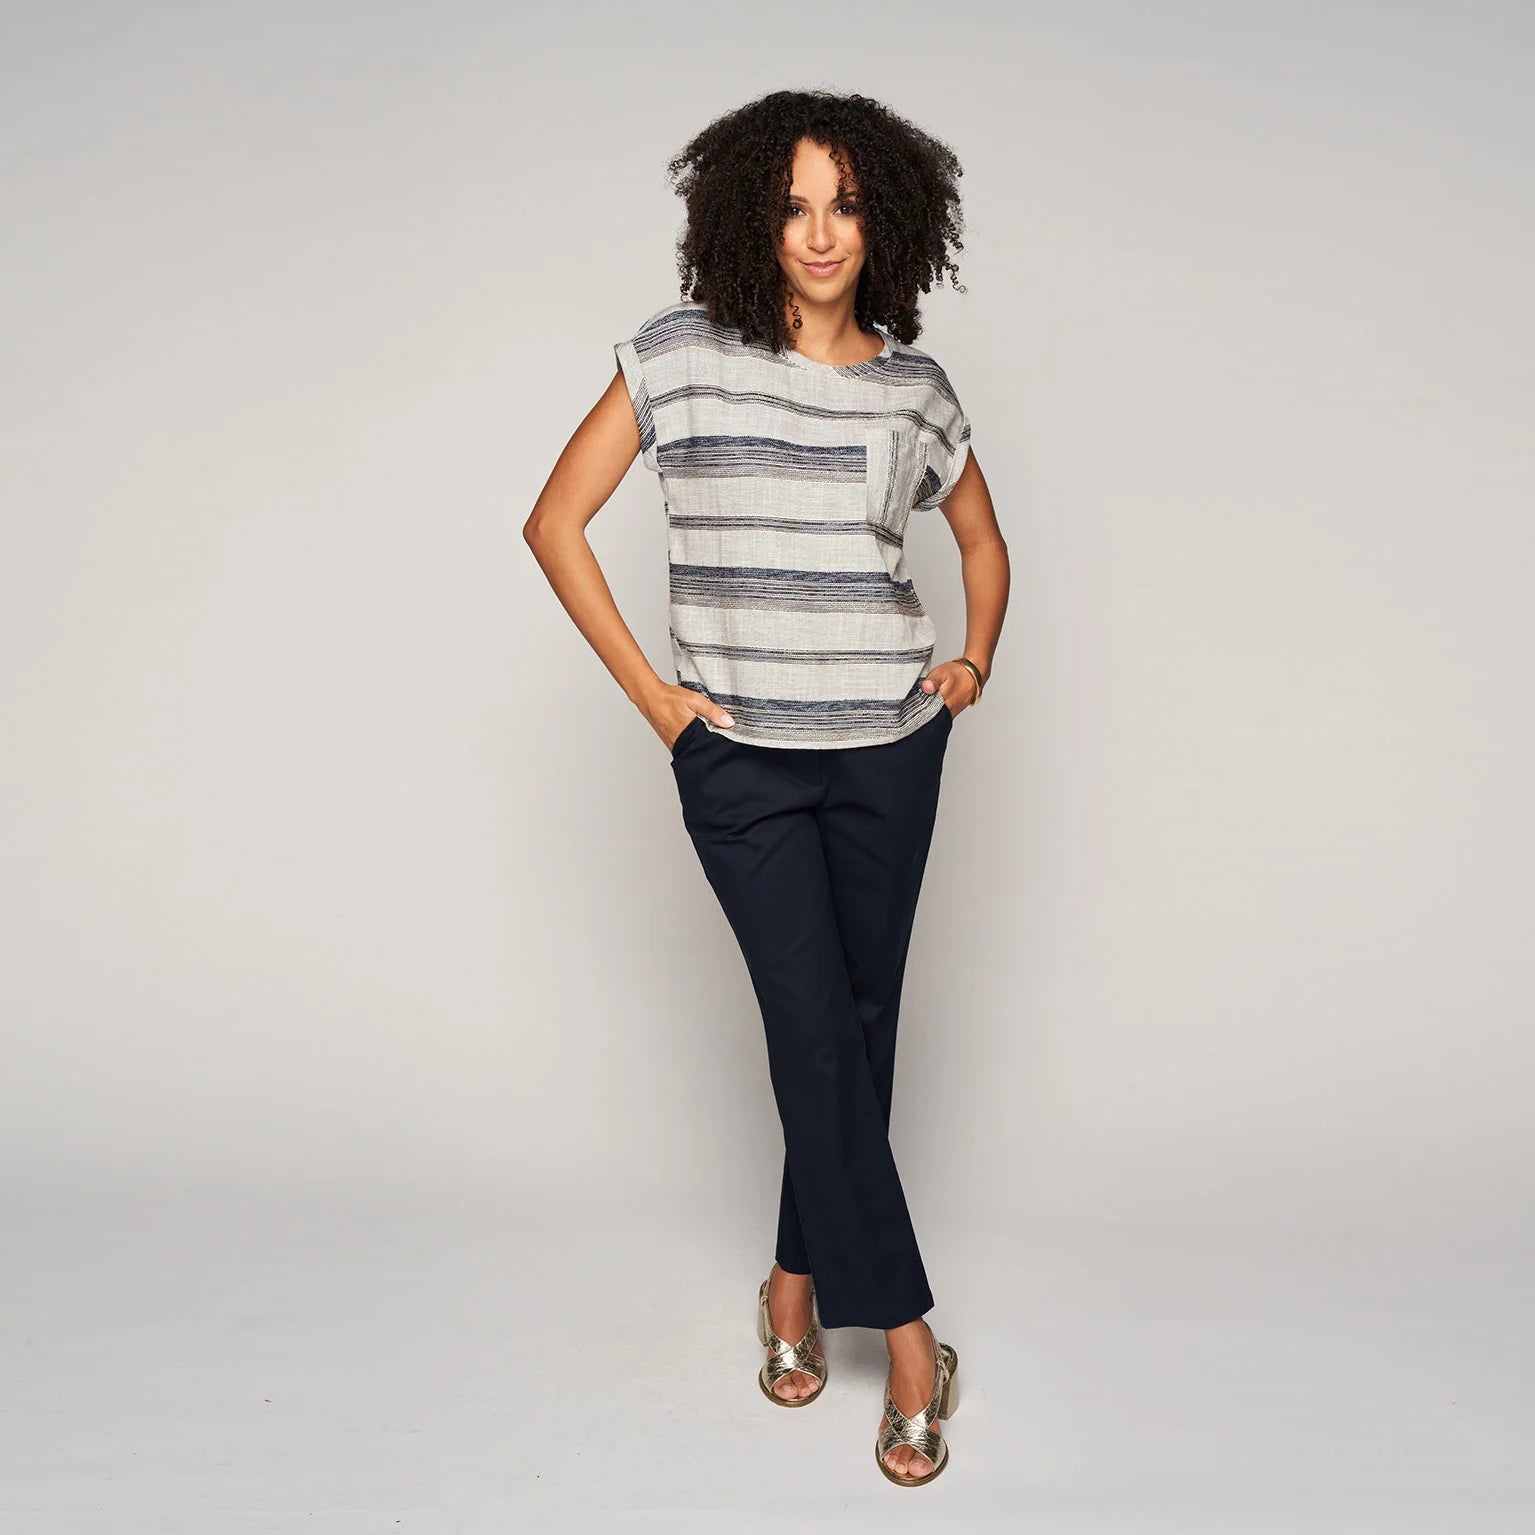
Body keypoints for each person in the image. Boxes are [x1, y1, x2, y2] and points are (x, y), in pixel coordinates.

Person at [524, 88, 1009, 1488]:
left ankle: (794, 1282)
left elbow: (984, 545)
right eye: (795, 205)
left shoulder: (916, 391)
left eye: (846, 204)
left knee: (856, 1031)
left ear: (886, 222)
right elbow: (554, 523)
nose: (820, 233)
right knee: (813, 1032)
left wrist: (972, 661)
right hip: (738, 758)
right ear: (752, 216)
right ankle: (910, 1341)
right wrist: (659, 703)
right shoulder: (681, 358)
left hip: (889, 750)